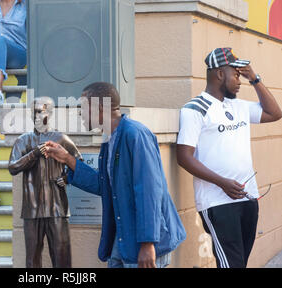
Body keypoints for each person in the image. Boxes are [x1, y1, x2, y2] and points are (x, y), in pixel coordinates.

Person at [44, 82, 186, 268]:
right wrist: (67, 158)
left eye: (83, 107)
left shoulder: (135, 134)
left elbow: (149, 191)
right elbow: (104, 185)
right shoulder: (110, 139)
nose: (80, 113)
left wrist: (148, 243)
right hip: (122, 242)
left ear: (99, 109)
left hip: (145, 245)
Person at [177, 48, 282, 268]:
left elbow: (275, 113)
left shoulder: (238, 106)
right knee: (231, 264)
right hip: (217, 201)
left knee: (238, 263)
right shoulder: (195, 109)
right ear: (218, 74)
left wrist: (255, 78)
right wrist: (222, 183)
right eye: (235, 74)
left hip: (248, 196)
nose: (239, 80)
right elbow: (184, 157)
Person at [8, 97, 81, 268]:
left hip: (57, 207)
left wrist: (67, 178)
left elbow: (79, 162)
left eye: (40, 111)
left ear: (50, 113)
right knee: (32, 258)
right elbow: (13, 167)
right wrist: (34, 154)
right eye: (33, 112)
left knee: (61, 256)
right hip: (32, 209)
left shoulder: (60, 138)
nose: (36, 116)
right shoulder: (23, 140)